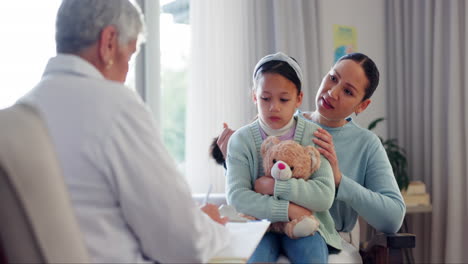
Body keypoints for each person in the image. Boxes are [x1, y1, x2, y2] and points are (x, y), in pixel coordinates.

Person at [18, 0, 229, 263]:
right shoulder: (115, 106)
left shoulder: (18, 114)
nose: (127, 71)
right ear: (108, 43)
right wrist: (209, 225)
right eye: (129, 56)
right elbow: (187, 244)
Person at [215, 52, 406, 258]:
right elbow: (244, 191)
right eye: (333, 78)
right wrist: (229, 163)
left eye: (348, 91)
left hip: (328, 238)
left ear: (362, 105)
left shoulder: (366, 144)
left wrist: (340, 181)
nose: (332, 92)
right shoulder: (278, 118)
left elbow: (392, 218)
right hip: (265, 227)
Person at [225, 52, 342, 264]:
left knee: (312, 257)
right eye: (265, 98)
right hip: (257, 225)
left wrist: (273, 187)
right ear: (254, 96)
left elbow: (324, 196)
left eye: (284, 99)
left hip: (305, 226)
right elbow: (237, 196)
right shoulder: (241, 140)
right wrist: (289, 210)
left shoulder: (314, 136)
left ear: (299, 99)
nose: (274, 107)